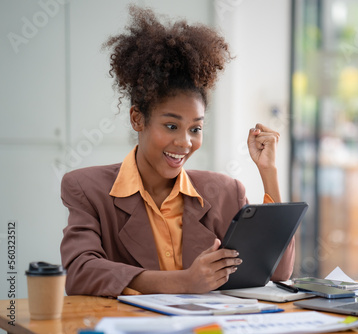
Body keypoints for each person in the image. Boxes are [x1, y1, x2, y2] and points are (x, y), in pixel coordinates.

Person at [59, 5, 294, 297]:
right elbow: (80, 272)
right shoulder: (87, 189)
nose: (185, 142)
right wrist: (184, 282)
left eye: (195, 129)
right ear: (137, 118)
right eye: (171, 126)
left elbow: (278, 271)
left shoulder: (223, 192)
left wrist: (268, 173)